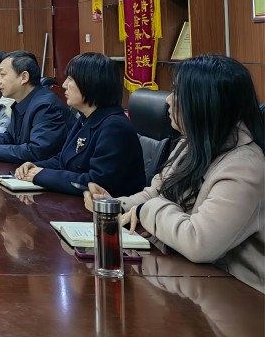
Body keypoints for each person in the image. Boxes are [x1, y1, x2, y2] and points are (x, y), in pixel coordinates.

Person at [84, 55, 265, 293]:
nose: (168, 100)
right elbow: (156, 192)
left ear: (205, 103)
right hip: (189, 279)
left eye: (178, 93)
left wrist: (144, 211)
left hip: (236, 297)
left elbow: (199, 242)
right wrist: (114, 205)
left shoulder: (244, 166)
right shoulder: (190, 144)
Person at [13, 52, 145, 196]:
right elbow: (63, 160)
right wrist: (35, 166)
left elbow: (97, 183)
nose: (64, 85)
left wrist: (42, 175)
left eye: (70, 79)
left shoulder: (114, 127)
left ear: (91, 83)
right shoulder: (85, 118)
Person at [0, 50, 75, 164]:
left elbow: (38, 151)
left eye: (2, 75)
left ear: (24, 77)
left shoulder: (45, 106)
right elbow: (10, 136)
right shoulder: (22, 102)